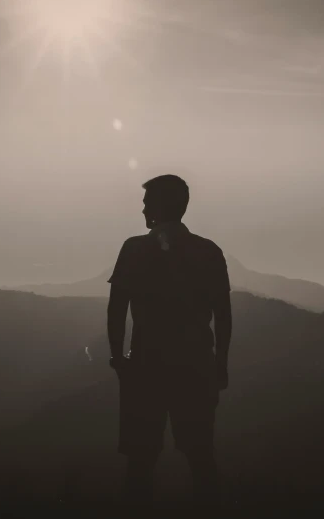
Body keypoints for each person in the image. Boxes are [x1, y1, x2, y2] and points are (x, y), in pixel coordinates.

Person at [107, 174, 232, 509]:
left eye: (148, 202)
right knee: (201, 457)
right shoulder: (208, 251)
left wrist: (117, 358)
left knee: (140, 462)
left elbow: (117, 307)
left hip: (145, 367)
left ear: (162, 205)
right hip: (195, 366)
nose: (143, 208)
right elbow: (223, 314)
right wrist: (220, 363)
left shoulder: (134, 249)